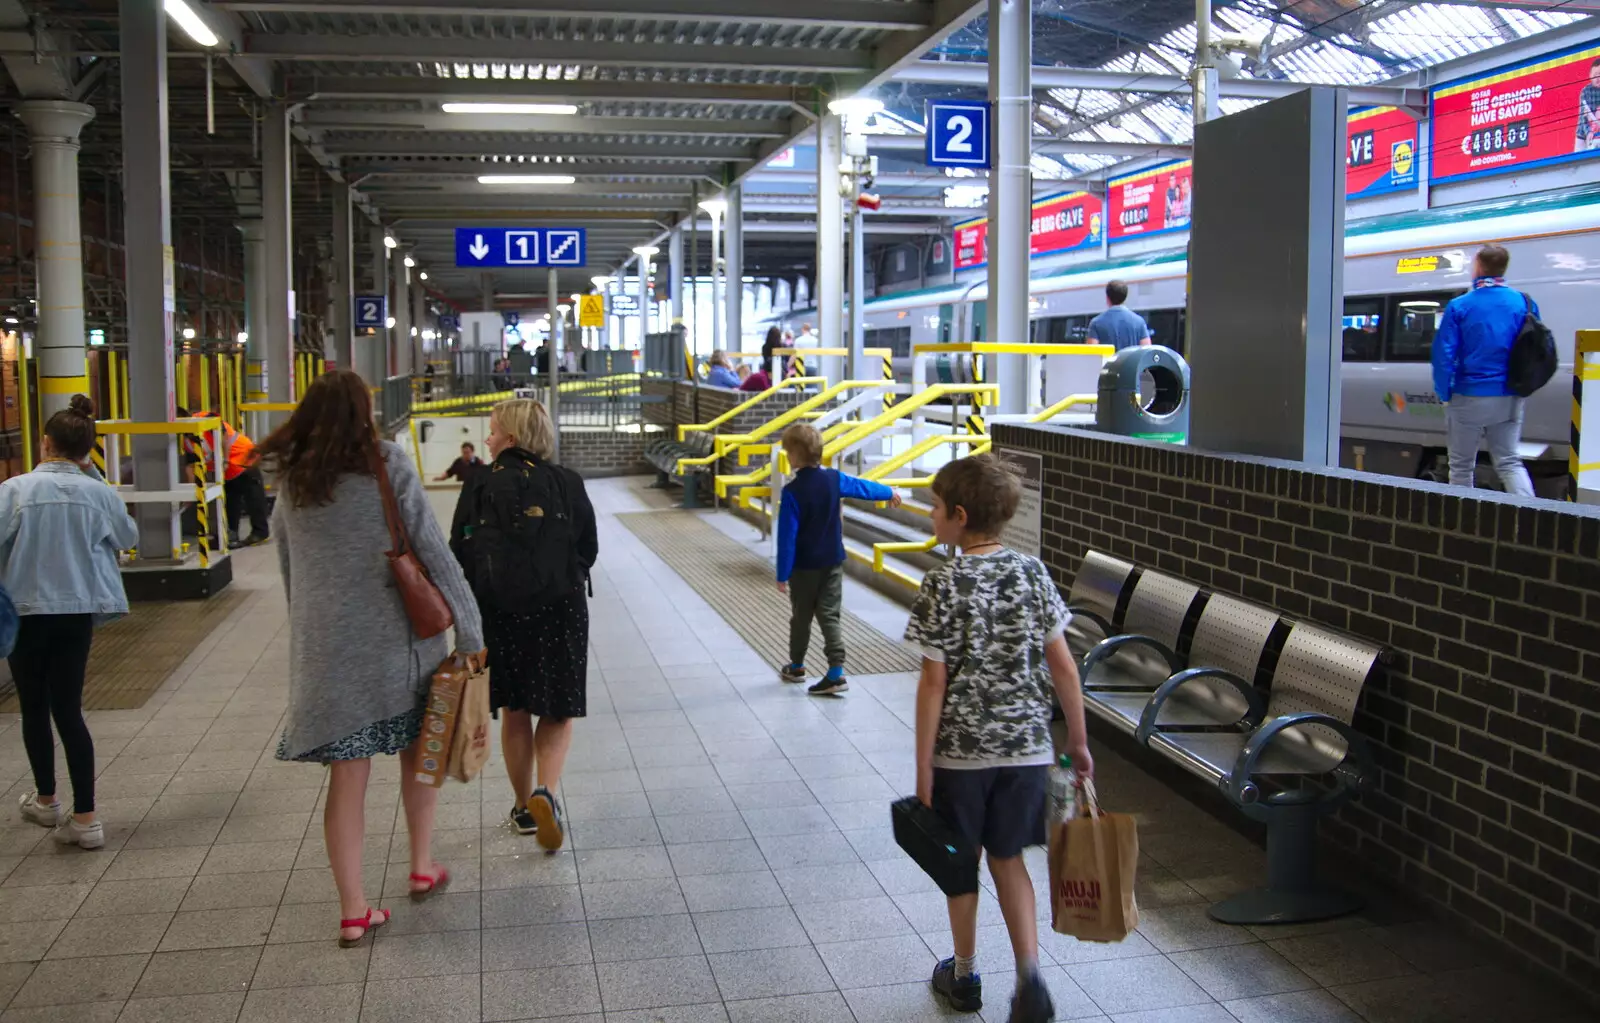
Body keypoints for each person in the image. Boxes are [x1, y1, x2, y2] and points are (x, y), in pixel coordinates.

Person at [261, 370, 485, 947]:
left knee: (347, 781)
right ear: (365, 412)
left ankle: (354, 910)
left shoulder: (294, 478)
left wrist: (311, 632)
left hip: (329, 657)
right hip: (400, 647)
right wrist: (471, 631)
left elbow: (289, 566)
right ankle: (421, 864)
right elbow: (433, 551)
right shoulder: (385, 461)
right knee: (419, 754)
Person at [904, 454, 1093, 1023]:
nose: (931, 514)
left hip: (962, 757)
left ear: (959, 516)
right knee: (1009, 859)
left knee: (962, 867)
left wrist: (923, 769)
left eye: (936, 507)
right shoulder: (1032, 572)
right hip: (1028, 752)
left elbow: (933, 683)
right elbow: (1063, 666)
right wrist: (1078, 742)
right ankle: (1029, 977)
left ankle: (963, 976)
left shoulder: (942, 581)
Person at [451, 398, 597, 852]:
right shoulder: (567, 482)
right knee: (556, 708)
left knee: (516, 709)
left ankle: (521, 807)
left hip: (501, 611)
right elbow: (588, 547)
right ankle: (546, 793)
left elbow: (460, 550)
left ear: (510, 438)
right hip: (561, 609)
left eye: (493, 431)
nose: (488, 438)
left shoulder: (478, 483)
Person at [0, 395, 136, 851]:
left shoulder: (15, 490)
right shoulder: (98, 492)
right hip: (76, 614)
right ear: (88, 451)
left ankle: (46, 800)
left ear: (45, 444)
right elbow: (127, 537)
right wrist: (93, 477)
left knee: (33, 708)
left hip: (25, 612)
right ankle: (87, 818)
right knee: (69, 711)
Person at [775, 424, 899, 696]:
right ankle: (835, 671)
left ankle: (796, 666)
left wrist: (782, 574)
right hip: (832, 561)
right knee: (830, 615)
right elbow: (861, 487)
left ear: (795, 455)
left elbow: (787, 538)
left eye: (787, 452)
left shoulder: (792, 492)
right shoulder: (833, 478)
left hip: (803, 568)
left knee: (801, 617)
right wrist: (888, 492)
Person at [1431, 243, 1536, 498]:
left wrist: (1444, 394)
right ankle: (1534, 517)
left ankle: (1462, 524)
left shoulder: (1460, 306)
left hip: (1469, 395)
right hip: (1510, 394)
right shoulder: (1524, 303)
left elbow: (1443, 355)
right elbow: (1534, 347)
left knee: (1461, 467)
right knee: (1510, 462)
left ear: (1478, 266)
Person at [177, 406, 270, 546]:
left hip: (244, 458)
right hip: (227, 470)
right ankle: (230, 534)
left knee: (253, 496)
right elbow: (191, 465)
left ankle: (260, 532)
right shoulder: (188, 441)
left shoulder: (204, 417)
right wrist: (192, 491)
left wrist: (225, 459)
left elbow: (223, 435)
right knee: (231, 502)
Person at [1085, 280, 1152, 352]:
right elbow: (1146, 351)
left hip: (1108, 363)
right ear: (1125, 297)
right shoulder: (1139, 322)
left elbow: (1092, 354)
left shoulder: (1096, 323)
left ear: (1107, 298)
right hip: (1132, 363)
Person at [1577, 58, 1600, 152]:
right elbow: (1583, 117)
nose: (1598, 78)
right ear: (1590, 76)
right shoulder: (1586, 91)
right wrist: (1589, 132)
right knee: (1577, 161)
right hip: (1584, 133)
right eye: (1596, 75)